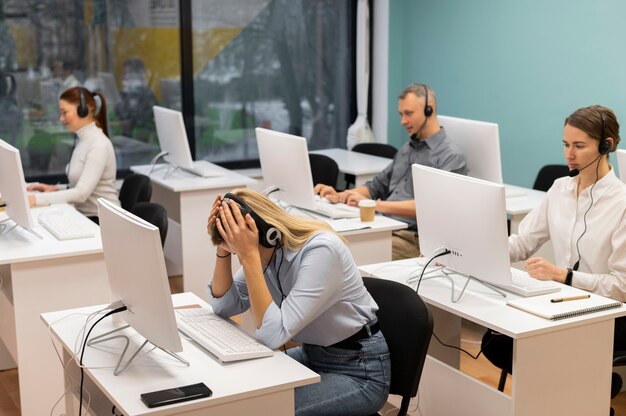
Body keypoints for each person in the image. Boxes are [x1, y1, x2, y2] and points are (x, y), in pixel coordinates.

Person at [481, 105, 626, 411]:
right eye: (565, 144)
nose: (568, 154)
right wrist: (472, 250)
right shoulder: (559, 189)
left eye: (579, 146)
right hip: (560, 306)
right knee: (494, 342)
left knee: (537, 350)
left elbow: (621, 286)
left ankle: (584, 390)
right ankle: (583, 387)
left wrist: (565, 276)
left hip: (606, 316)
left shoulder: (622, 203)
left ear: (607, 146)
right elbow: (521, 242)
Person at [206, 188, 390, 416]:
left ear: (267, 233)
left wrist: (250, 255)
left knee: (266, 409)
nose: (242, 258)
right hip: (311, 355)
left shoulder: (321, 251)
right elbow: (224, 307)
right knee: (236, 390)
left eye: (241, 253)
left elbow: (273, 336)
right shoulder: (268, 251)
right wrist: (223, 249)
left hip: (358, 370)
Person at [315, 83, 467, 260]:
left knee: (343, 254)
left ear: (429, 110)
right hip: (383, 225)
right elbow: (376, 186)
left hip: (410, 239)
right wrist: (341, 195)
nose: (403, 121)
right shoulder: (407, 149)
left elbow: (432, 208)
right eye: (401, 114)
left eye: (408, 114)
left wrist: (375, 205)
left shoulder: (451, 156)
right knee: (325, 242)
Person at [27, 87, 120, 223]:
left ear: (84, 110)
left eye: (65, 112)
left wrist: (34, 200)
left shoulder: (98, 145)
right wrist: (55, 189)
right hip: (86, 216)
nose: (61, 118)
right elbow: (81, 186)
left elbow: (81, 194)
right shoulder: (83, 140)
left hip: (104, 221)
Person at [114, 58, 157, 143]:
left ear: (139, 75)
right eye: (125, 74)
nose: (126, 78)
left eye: (129, 74)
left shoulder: (147, 96)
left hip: (140, 141)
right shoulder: (125, 94)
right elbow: (119, 113)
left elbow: (146, 121)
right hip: (126, 139)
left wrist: (128, 124)